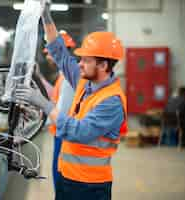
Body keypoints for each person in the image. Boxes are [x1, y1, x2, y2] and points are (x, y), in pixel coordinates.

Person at [15, 2, 127, 200]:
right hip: (68, 176)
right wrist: (46, 16)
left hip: (90, 186)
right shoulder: (86, 82)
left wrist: (44, 103)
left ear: (103, 65)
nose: (80, 64)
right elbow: (60, 53)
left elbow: (79, 132)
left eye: (86, 60)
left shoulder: (112, 101)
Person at [43, 30, 76, 190]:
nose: (47, 57)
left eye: (49, 53)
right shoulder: (64, 75)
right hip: (61, 136)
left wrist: (40, 118)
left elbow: (61, 114)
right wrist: (39, 78)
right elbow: (55, 97)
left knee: (62, 182)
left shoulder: (69, 78)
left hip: (64, 137)